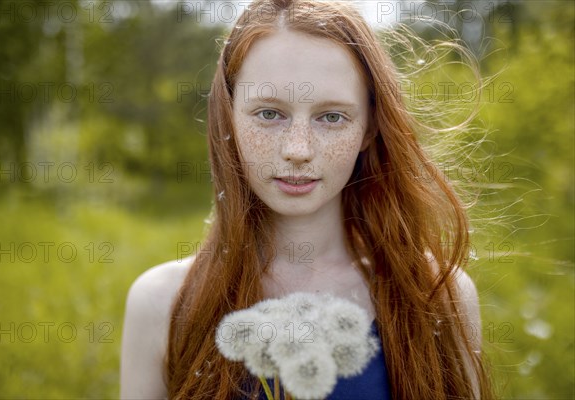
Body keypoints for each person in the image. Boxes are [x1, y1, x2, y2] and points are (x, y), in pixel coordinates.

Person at [120, 0, 494, 399]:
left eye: (331, 117)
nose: (298, 150)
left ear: (369, 128)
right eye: (269, 114)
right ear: (228, 117)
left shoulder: (438, 296)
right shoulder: (162, 303)